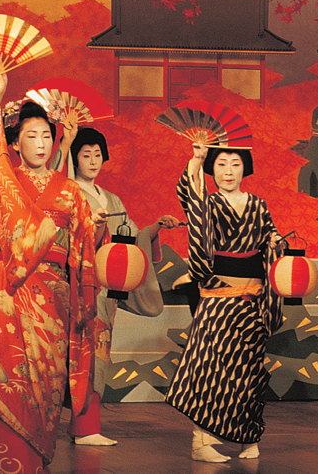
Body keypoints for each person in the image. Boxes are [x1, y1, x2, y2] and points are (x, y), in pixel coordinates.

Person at [0, 73, 98, 474]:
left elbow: (84, 251)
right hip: (10, 293)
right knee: (10, 381)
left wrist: (82, 305)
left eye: (45, 136)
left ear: (54, 141)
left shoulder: (70, 191)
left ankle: (35, 463)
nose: (40, 144)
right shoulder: (6, 178)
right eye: (31, 136)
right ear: (16, 142)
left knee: (45, 387)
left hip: (53, 300)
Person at [56, 126, 182, 445]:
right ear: (74, 158)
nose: (94, 160)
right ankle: (82, 426)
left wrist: (154, 229)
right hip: (78, 286)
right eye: (86, 154)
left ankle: (86, 426)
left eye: (98, 154)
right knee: (79, 356)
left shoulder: (111, 199)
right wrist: (92, 230)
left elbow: (131, 237)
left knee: (100, 356)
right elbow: (60, 238)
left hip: (104, 290)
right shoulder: (67, 193)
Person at [166, 141, 285, 463]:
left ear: (245, 168)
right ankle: (201, 441)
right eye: (220, 164)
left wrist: (276, 242)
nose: (228, 171)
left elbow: (271, 236)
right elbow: (190, 199)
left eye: (235, 164)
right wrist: (196, 158)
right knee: (209, 368)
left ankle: (248, 436)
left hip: (252, 299)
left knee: (248, 371)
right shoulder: (208, 204)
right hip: (217, 297)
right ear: (211, 170)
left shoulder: (258, 205)